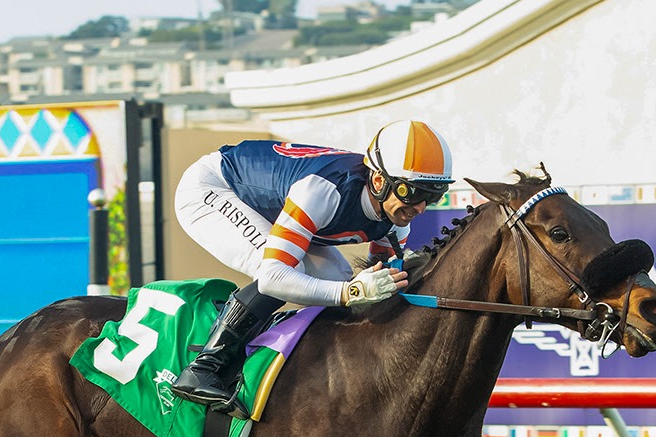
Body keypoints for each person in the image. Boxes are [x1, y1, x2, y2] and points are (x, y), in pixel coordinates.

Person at [170, 119, 454, 415]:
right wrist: (352, 291)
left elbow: (378, 291)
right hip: (212, 189)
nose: (421, 208)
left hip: (276, 203)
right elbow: (273, 279)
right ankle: (203, 366)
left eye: (432, 196)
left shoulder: (394, 221)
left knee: (341, 280)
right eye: (413, 193)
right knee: (290, 275)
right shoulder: (323, 191)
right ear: (380, 181)